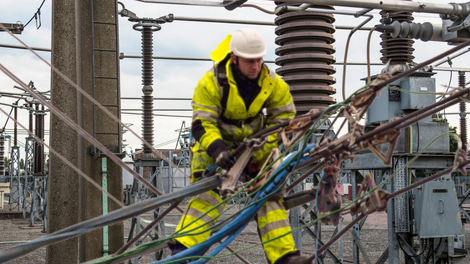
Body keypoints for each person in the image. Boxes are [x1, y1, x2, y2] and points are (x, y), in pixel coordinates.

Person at [168, 28, 311, 264]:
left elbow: (284, 120)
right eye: (249, 61)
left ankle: (285, 258)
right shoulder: (211, 82)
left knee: (270, 195)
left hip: (255, 150)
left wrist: (264, 151)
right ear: (234, 58)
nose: (256, 66)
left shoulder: (272, 83)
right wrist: (218, 151)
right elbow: (202, 123)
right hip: (215, 150)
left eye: (259, 60)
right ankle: (181, 254)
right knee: (207, 198)